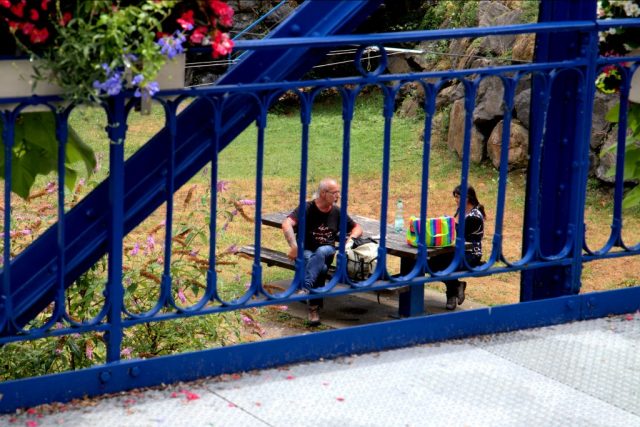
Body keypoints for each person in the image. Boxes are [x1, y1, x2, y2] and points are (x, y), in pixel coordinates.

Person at [282, 178, 363, 325]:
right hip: (307, 251)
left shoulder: (337, 211)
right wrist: (294, 247)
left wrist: (350, 240)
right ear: (323, 193)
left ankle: (305, 287)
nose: (338, 196)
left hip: (327, 250)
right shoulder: (307, 208)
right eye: (334, 193)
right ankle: (314, 309)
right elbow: (287, 223)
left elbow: (357, 228)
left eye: (339, 192)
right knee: (321, 268)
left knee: (320, 252)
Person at [428, 185, 485, 311]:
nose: (456, 200)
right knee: (431, 262)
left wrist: (448, 224)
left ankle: (451, 295)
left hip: (470, 255)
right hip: (457, 251)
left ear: (468, 197)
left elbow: (458, 234)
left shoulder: (474, 217)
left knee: (439, 263)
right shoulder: (462, 210)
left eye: (458, 197)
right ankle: (456, 286)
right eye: (456, 197)